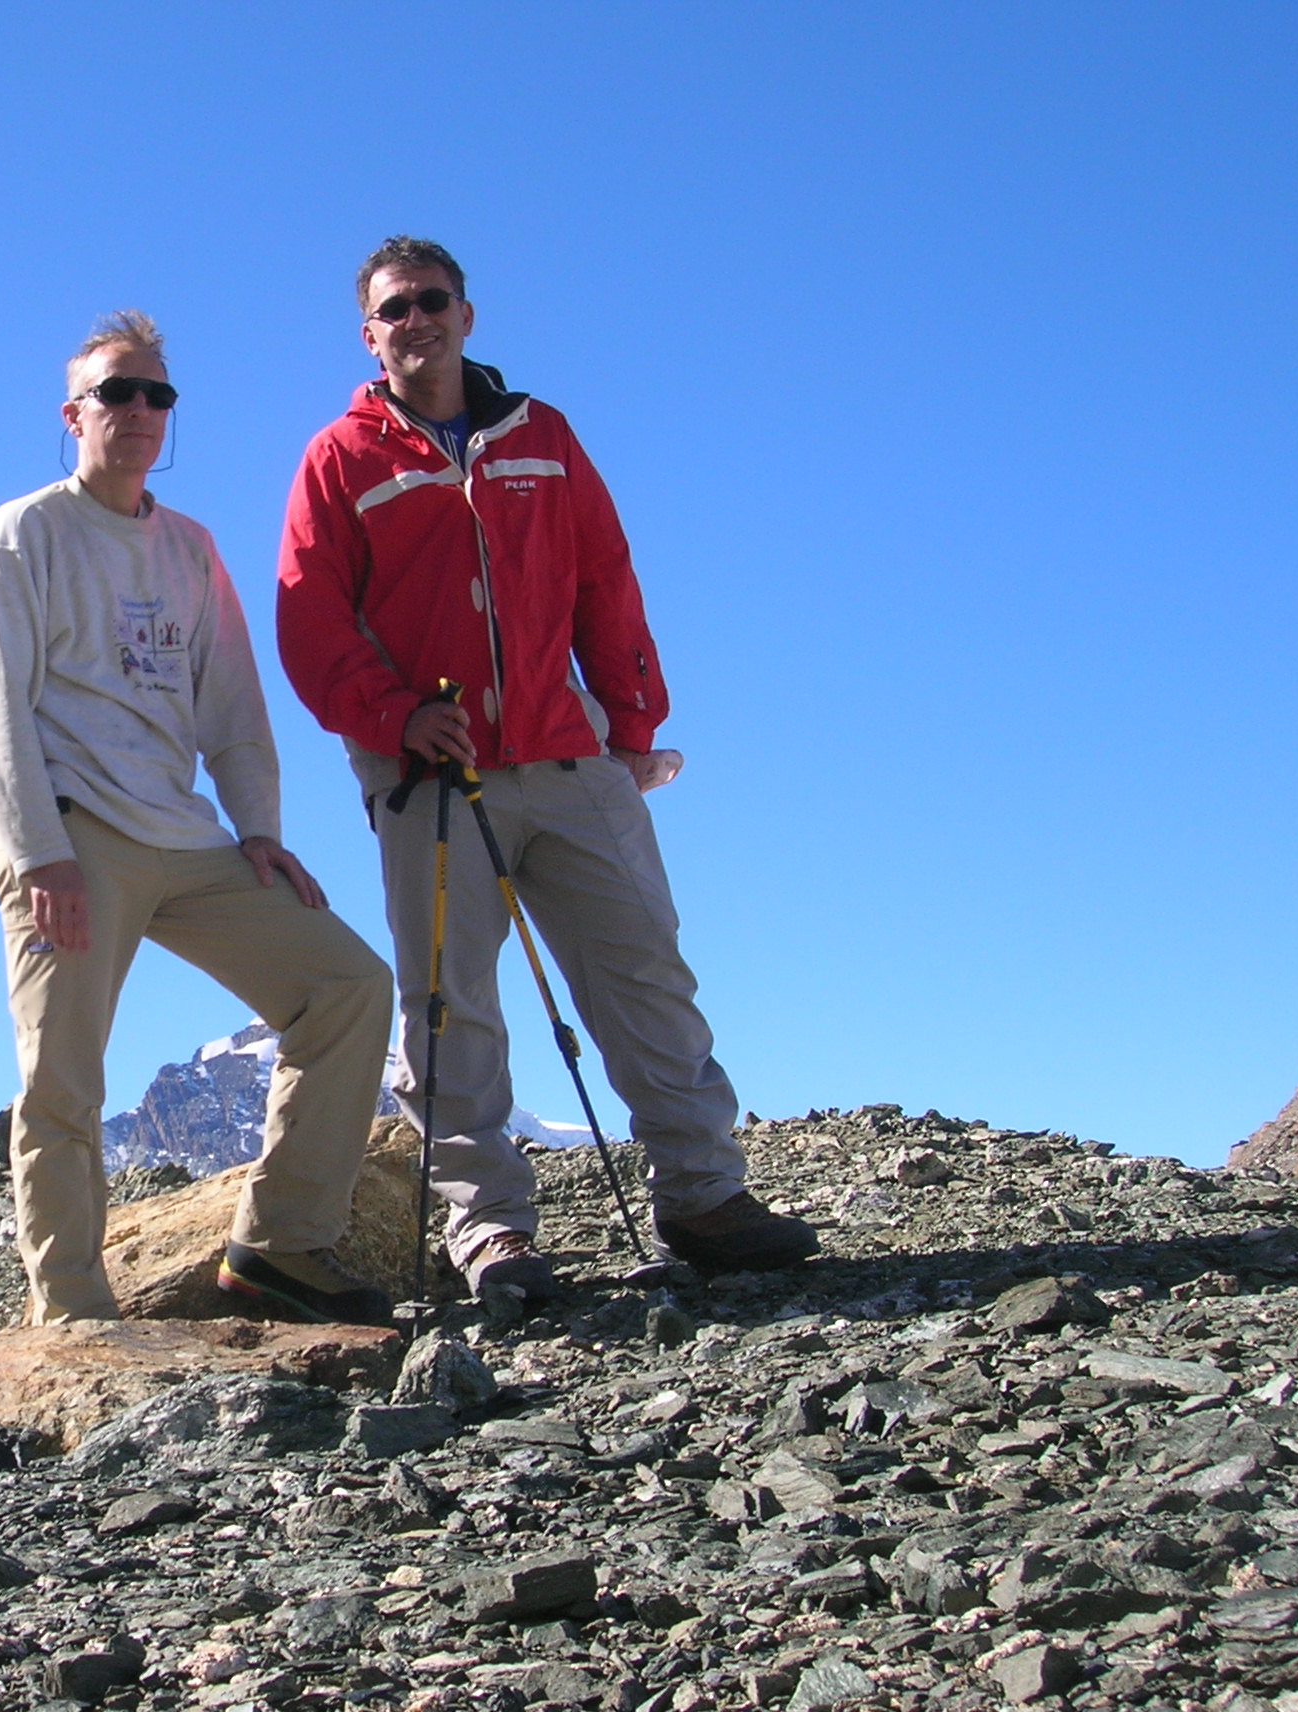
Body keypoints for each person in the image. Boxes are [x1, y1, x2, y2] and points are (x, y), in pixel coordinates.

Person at [275, 237, 819, 1288]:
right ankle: (490, 1231)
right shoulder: (340, 459)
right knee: (448, 1002)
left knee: (643, 973)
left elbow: (602, 580)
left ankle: (703, 1196)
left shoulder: (544, 437)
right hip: (428, 777)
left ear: (467, 316)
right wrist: (391, 719)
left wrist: (629, 726)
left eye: (431, 301)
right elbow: (308, 618)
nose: (414, 321)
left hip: (570, 763)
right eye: (393, 309)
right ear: (367, 334)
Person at [0, 310, 397, 1327]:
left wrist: (259, 833)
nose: (141, 410)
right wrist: (36, 851)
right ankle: (70, 1310)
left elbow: (233, 709)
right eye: (117, 391)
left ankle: (280, 1246)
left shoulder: (189, 548)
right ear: (73, 414)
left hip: (191, 841)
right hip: (74, 837)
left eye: (158, 393)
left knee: (346, 986)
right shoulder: (26, 532)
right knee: (60, 1073)